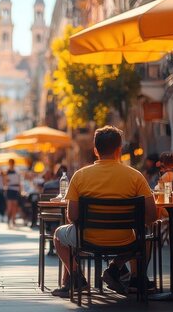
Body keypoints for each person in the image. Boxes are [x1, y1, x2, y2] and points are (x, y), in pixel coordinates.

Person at [51, 126, 157, 297]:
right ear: (119, 150)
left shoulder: (80, 176)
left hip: (87, 238)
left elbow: (72, 216)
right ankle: (129, 276)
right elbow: (152, 216)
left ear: (95, 150)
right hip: (125, 239)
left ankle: (77, 278)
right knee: (143, 238)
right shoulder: (136, 176)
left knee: (58, 235)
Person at [4, 159, 21, 228]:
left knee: (14, 206)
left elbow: (19, 180)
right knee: (9, 207)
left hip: (15, 189)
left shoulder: (17, 171)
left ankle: (13, 221)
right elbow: (5, 181)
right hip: (10, 189)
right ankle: (9, 221)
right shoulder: (7, 171)